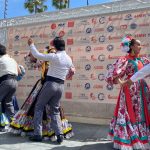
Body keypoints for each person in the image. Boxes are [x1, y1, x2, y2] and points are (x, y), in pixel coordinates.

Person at [10, 40, 75, 144]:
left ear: (55, 48)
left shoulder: (55, 56)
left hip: (50, 84)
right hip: (61, 86)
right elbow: (72, 70)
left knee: (39, 107)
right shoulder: (68, 59)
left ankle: (38, 134)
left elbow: (37, 55)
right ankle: (59, 134)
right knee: (55, 110)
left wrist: (31, 44)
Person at [105, 36, 150, 149]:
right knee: (130, 114)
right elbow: (113, 74)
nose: (140, 47)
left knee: (140, 114)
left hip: (141, 90)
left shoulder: (142, 60)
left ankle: (140, 136)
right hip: (129, 90)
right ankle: (130, 138)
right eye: (138, 44)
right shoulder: (124, 60)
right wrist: (120, 81)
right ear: (131, 46)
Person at [0, 44, 21, 131]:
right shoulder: (12, 59)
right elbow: (19, 72)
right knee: (8, 102)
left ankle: (1, 124)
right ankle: (14, 123)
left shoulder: (0, 59)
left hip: (6, 81)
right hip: (14, 82)